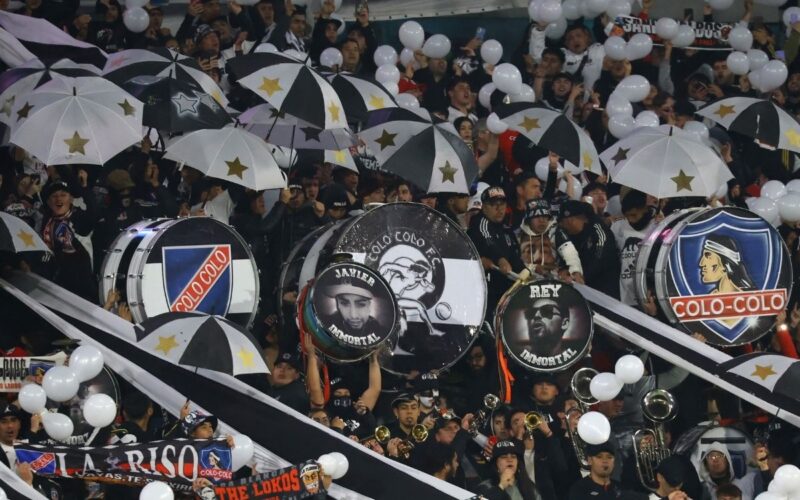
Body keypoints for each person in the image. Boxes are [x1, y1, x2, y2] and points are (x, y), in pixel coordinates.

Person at [556, 200, 620, 298]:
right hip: (585, 291)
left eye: (563, 222)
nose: (563, 226)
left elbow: (601, 257)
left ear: (570, 220)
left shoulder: (598, 231)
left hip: (605, 293)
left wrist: (581, 276)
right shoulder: (573, 235)